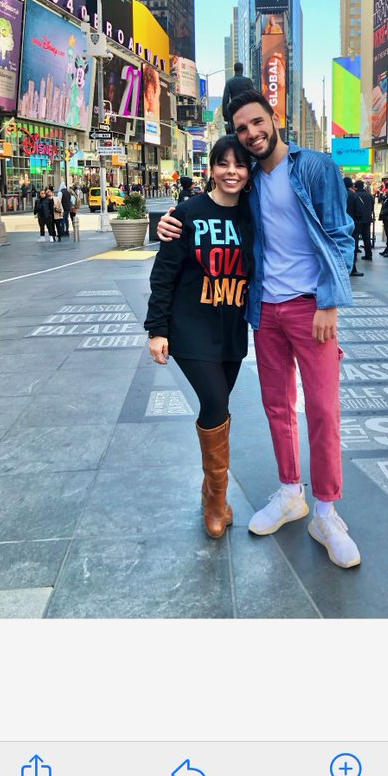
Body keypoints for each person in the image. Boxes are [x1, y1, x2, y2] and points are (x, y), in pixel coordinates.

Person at [156, 90, 360, 569]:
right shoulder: (250, 184)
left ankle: (326, 513)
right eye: (242, 129)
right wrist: (169, 222)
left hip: (311, 308)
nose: (251, 133)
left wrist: (330, 301)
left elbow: (340, 234)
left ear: (273, 118)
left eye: (256, 122)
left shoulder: (315, 167)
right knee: (277, 407)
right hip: (265, 310)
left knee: (323, 410)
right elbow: (215, 209)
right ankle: (291, 493)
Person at [144, 136, 254, 539]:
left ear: (249, 172)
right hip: (190, 328)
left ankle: (211, 488)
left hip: (232, 327)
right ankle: (216, 502)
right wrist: (157, 329)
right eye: (223, 163)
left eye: (239, 165)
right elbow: (164, 274)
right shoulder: (188, 214)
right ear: (211, 168)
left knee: (219, 410)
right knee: (215, 403)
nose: (231, 172)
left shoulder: (254, 214)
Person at [221, 62, 255, 132]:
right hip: (246, 111)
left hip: (234, 111)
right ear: (242, 69)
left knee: (234, 133)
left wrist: (226, 116)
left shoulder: (229, 82)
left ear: (234, 70)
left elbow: (225, 99)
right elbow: (253, 97)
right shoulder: (248, 81)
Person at [343, 178, 364, 277]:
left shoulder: (339, 194)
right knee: (352, 245)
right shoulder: (353, 195)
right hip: (352, 224)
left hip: (341, 224)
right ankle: (352, 268)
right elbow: (360, 209)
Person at [353, 180, 375, 262]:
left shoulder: (355, 195)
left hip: (357, 220)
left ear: (356, 187)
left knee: (355, 238)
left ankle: (354, 256)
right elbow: (372, 207)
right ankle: (368, 254)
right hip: (367, 219)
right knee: (367, 238)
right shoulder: (369, 195)